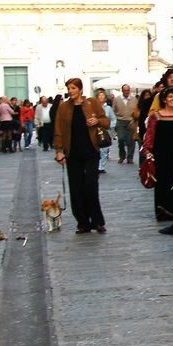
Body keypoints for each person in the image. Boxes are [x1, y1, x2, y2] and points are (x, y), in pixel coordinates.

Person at [53, 78, 108, 233]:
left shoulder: (92, 103)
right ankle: (82, 222)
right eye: (69, 88)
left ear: (80, 89)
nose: (70, 91)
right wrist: (58, 151)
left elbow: (106, 122)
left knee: (91, 186)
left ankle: (97, 221)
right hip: (73, 152)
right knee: (76, 188)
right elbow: (58, 129)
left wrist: (97, 120)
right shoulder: (63, 107)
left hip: (91, 151)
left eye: (73, 88)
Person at [141, 88, 173, 232]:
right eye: (170, 96)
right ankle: (162, 210)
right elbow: (150, 133)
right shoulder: (156, 116)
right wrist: (148, 150)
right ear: (164, 99)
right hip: (161, 153)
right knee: (162, 180)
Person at [113, 84, 138, 164]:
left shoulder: (134, 99)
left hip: (131, 121)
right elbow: (114, 109)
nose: (126, 92)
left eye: (128, 90)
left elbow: (136, 110)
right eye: (125, 90)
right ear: (122, 91)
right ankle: (122, 156)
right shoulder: (117, 99)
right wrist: (118, 116)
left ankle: (130, 157)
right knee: (120, 139)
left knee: (131, 140)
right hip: (121, 121)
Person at [94, 89, 115, 172]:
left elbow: (113, 119)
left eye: (103, 95)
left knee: (104, 149)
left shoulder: (108, 108)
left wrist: (110, 126)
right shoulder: (93, 107)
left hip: (104, 130)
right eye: (100, 95)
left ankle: (101, 166)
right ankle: (96, 164)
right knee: (96, 148)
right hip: (95, 130)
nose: (101, 97)